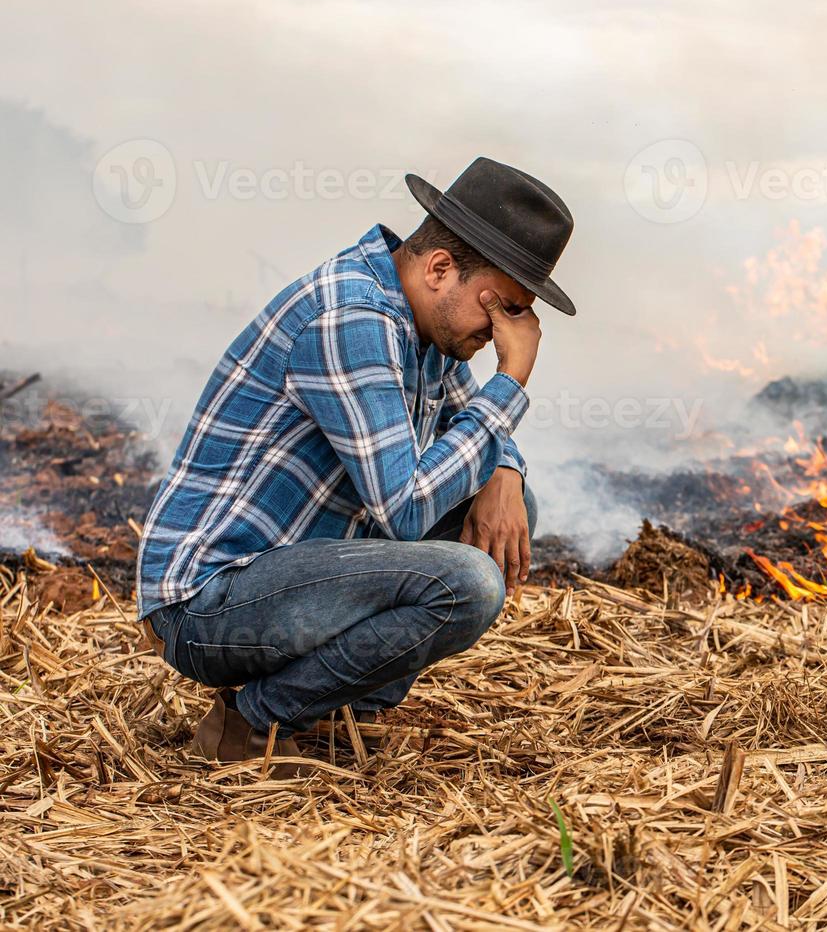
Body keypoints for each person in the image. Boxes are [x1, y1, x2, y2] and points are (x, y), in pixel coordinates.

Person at [135, 157, 575, 772]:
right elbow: (405, 508)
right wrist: (512, 379)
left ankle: (337, 706)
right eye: (500, 309)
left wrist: (507, 468)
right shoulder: (352, 316)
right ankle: (252, 722)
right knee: (466, 584)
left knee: (509, 503)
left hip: (294, 576)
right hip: (210, 599)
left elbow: (473, 426)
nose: (505, 333)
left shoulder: (431, 326)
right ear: (440, 268)